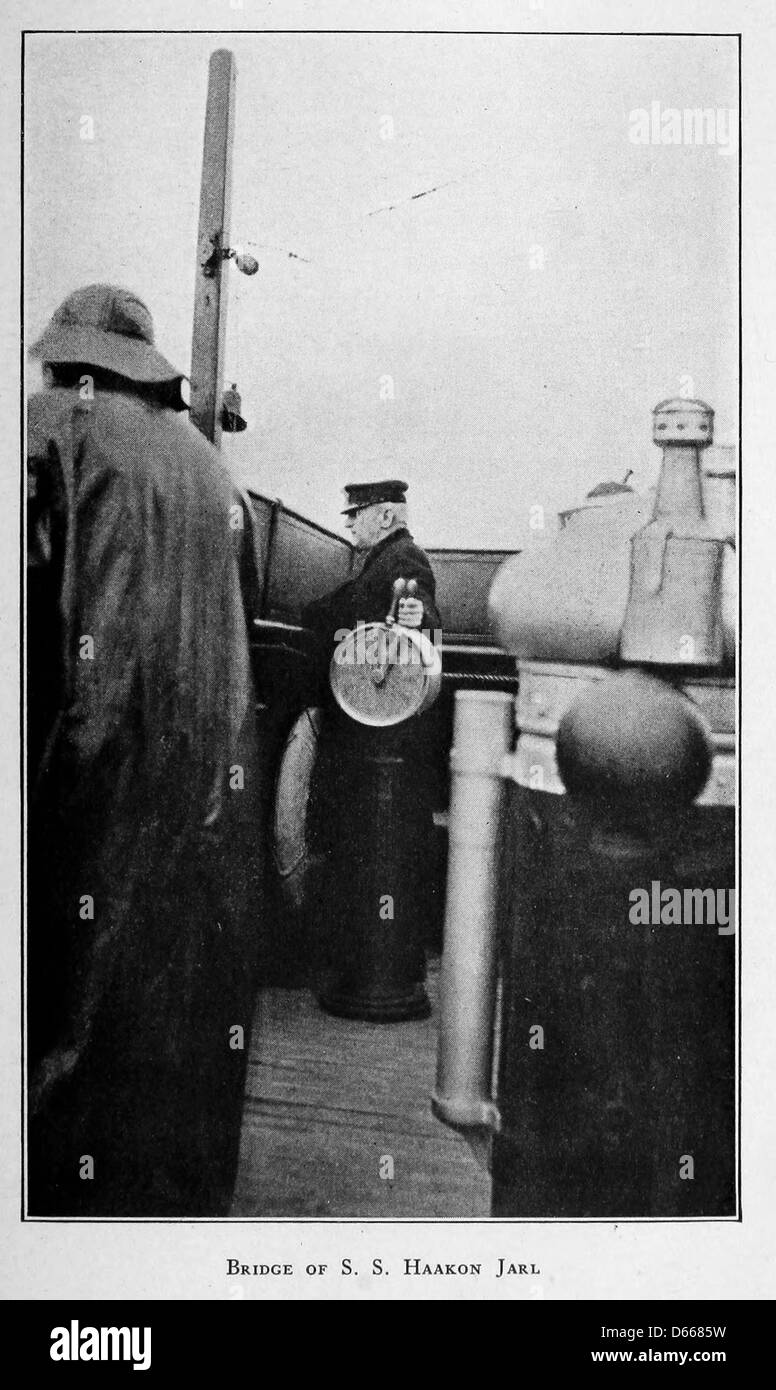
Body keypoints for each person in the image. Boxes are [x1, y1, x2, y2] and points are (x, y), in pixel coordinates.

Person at [26, 283, 263, 1216]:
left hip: (77, 798)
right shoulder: (214, 475)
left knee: (62, 1021)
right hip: (204, 816)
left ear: (65, 355)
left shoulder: (44, 434)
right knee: (172, 1036)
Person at [300, 481, 442, 1019]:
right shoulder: (387, 558)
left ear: (383, 517)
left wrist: (414, 621)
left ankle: (384, 974)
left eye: (356, 515)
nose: (350, 525)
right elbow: (351, 609)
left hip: (384, 737)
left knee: (380, 847)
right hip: (381, 732)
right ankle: (388, 968)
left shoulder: (404, 562)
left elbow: (416, 615)